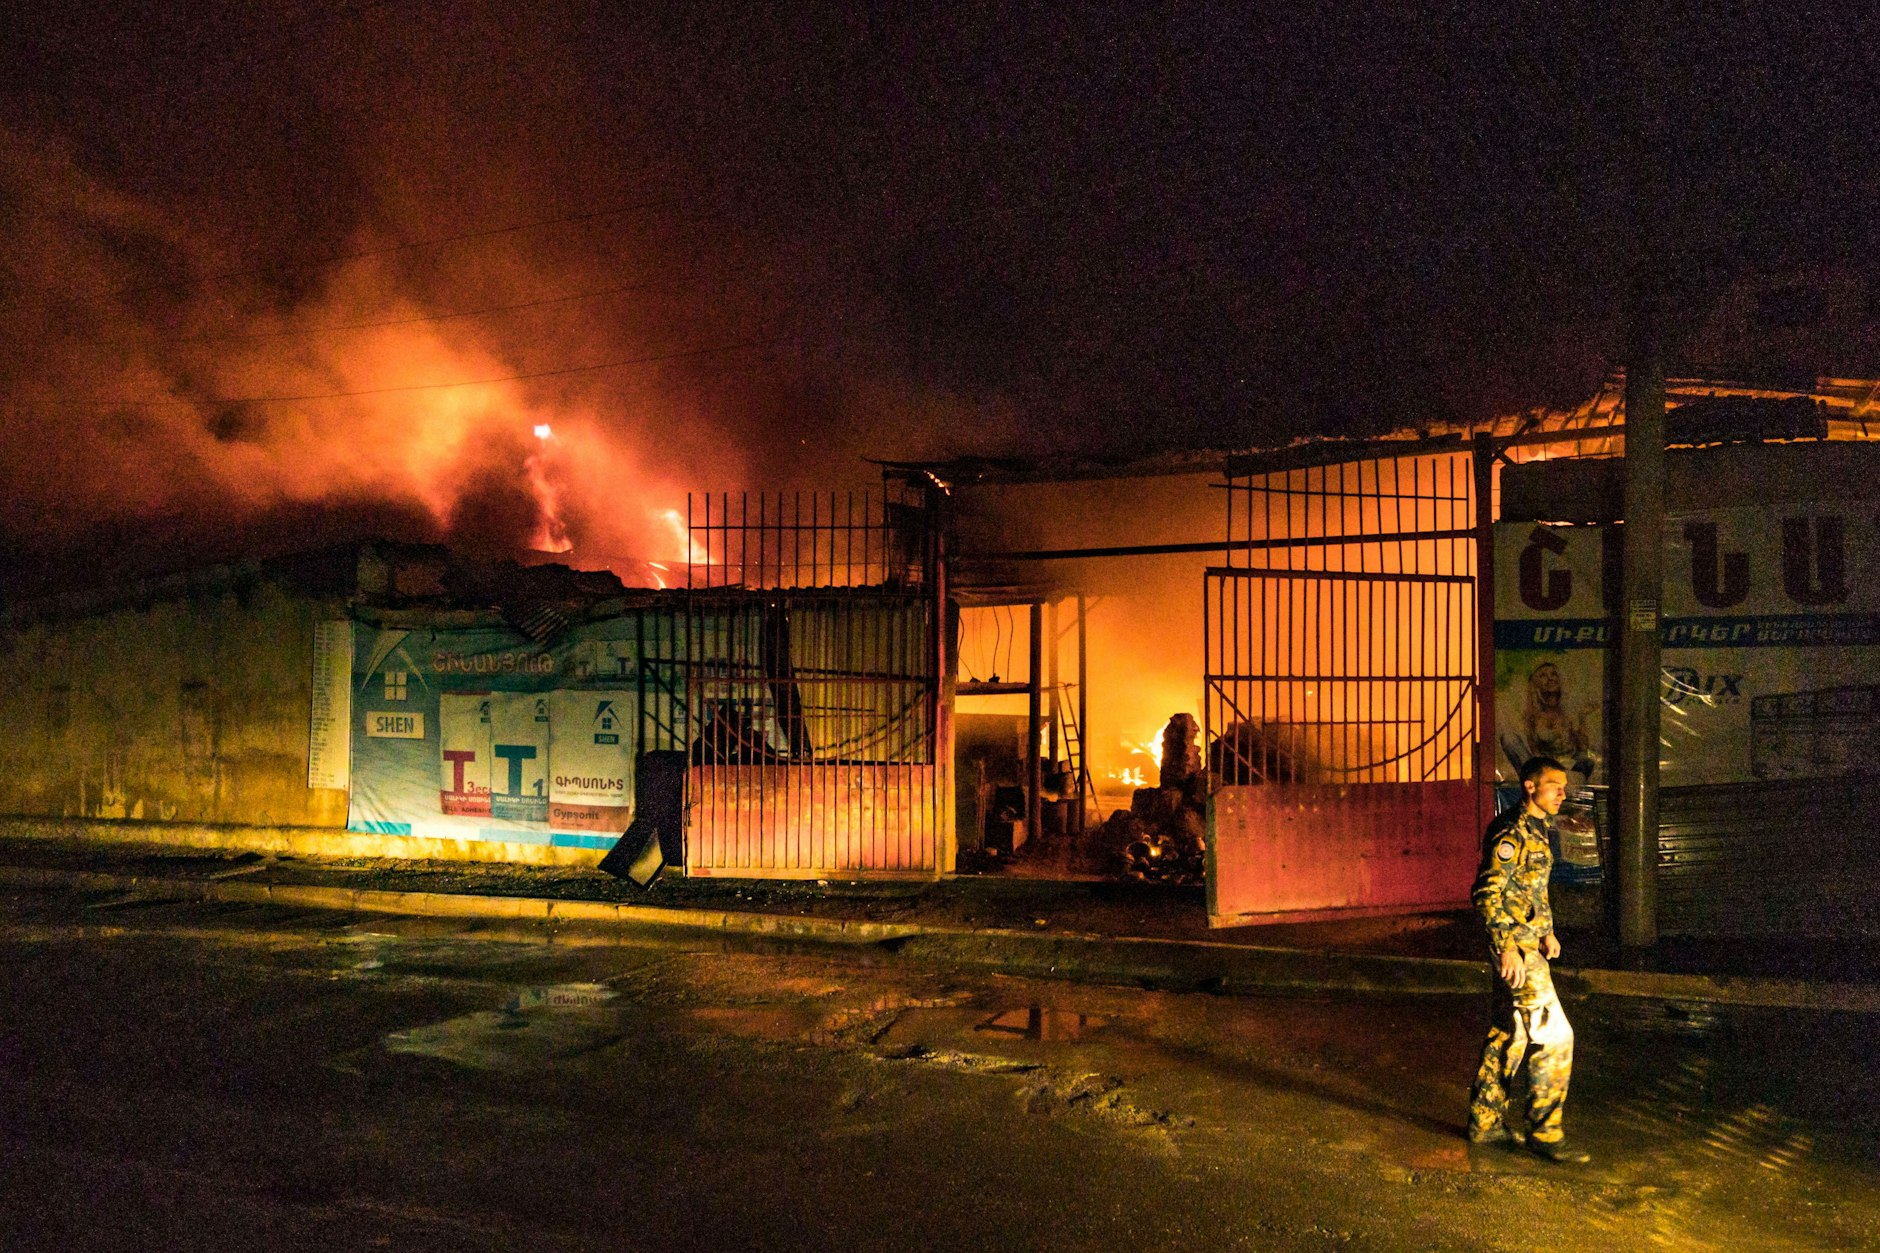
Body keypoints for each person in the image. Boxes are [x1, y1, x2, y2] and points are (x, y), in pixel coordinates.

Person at [1465, 755, 1591, 1164]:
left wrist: (1547, 932)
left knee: (1510, 1034)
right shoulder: (1511, 831)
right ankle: (1545, 1132)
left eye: (1564, 786)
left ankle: (1485, 1123)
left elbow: (1531, 889)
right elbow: (1487, 893)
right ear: (1530, 787)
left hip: (1527, 944)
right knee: (1556, 1037)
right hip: (1515, 951)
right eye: (1554, 784)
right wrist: (1506, 946)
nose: (1562, 792)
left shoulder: (1538, 829)